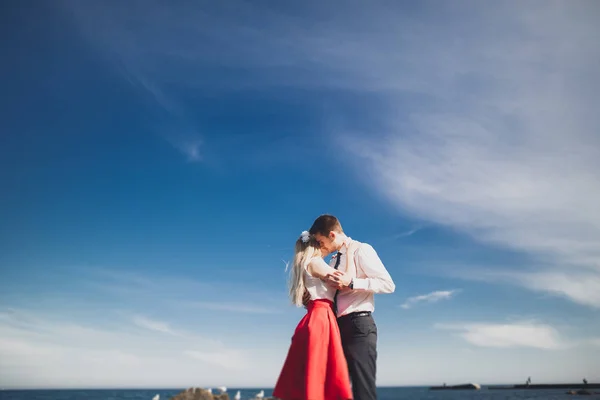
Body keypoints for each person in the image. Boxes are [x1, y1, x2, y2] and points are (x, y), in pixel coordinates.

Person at [307, 214, 395, 400]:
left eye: (321, 241)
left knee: (363, 391)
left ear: (331, 235)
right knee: (337, 390)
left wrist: (352, 282)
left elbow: (388, 284)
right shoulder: (331, 261)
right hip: (336, 329)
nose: (320, 246)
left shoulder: (361, 250)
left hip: (359, 326)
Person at [273, 230, 360, 400]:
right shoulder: (315, 262)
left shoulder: (306, 264)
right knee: (321, 375)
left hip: (315, 317)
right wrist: (349, 253)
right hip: (321, 319)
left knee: (313, 377)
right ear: (316, 245)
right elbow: (344, 280)